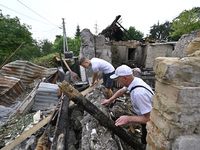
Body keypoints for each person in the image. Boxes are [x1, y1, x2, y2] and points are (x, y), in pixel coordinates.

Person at [101, 64, 154, 144]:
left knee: (146, 141)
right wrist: (110, 100)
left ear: (125, 78)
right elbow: (121, 91)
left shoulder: (139, 93)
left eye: (118, 79)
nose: (117, 81)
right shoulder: (134, 81)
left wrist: (128, 119)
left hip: (152, 123)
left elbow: (149, 119)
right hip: (145, 115)